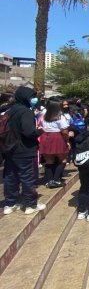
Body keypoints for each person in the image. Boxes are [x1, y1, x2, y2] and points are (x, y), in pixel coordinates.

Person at [2, 86, 46, 215]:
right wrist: (40, 130)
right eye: (32, 97)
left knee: (10, 177)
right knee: (27, 177)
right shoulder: (26, 112)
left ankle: (10, 203)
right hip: (25, 150)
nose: (34, 99)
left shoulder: (10, 111)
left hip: (10, 149)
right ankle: (31, 204)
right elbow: (29, 133)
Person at [38, 99, 70, 188]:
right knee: (63, 159)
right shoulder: (60, 117)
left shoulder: (44, 116)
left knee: (49, 160)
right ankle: (56, 180)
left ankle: (49, 181)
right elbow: (64, 131)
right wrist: (67, 141)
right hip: (57, 137)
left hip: (46, 137)